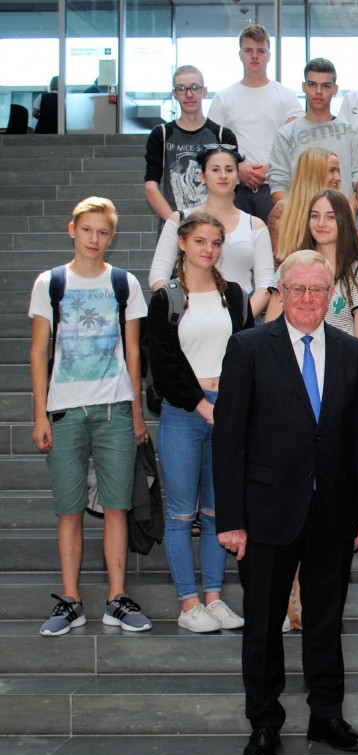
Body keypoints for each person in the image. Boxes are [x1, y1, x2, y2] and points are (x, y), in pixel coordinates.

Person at [213, 252, 358, 755]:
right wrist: (231, 518)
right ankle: (264, 722)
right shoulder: (248, 348)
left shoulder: (352, 352)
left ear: (333, 296)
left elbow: (356, 439)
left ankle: (327, 716)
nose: (307, 299)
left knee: (326, 621)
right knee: (261, 625)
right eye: (297, 289)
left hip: (332, 512)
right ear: (280, 291)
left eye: (317, 290)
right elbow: (229, 439)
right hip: (264, 513)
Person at [30, 197, 152, 637]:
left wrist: (136, 412)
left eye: (103, 232)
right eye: (88, 230)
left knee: (117, 506)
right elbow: (39, 350)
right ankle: (71, 601)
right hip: (63, 411)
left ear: (111, 236)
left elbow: (134, 351)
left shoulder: (124, 283)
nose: (95, 239)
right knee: (69, 509)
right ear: (72, 230)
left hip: (113, 409)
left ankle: (116, 599)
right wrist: (40, 414)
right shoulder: (50, 282)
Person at [148, 212, 253, 633]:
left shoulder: (236, 295)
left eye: (215, 243)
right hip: (183, 413)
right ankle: (188, 603)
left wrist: (231, 405)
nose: (208, 250)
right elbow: (165, 364)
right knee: (180, 513)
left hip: (226, 407)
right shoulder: (166, 298)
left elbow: (246, 352)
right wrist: (201, 405)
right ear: (182, 243)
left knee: (217, 510)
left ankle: (214, 597)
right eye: (200, 242)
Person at [149, 144, 272, 317]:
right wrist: (185, 305)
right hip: (189, 312)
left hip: (241, 315)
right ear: (202, 175)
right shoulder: (179, 219)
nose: (223, 175)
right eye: (215, 169)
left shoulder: (255, 225)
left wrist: (242, 317)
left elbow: (266, 283)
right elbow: (157, 275)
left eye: (229, 169)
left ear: (238, 176)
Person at [265, 190, 358, 373]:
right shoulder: (290, 266)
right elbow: (269, 331)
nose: (321, 224)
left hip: (338, 375)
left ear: (344, 221)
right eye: (315, 216)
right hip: (289, 373)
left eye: (330, 217)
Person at [207, 25, 303, 222]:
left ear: (269, 55)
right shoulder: (223, 98)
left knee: (277, 250)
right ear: (240, 54)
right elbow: (211, 144)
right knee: (231, 250)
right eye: (248, 50)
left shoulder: (286, 96)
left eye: (260, 51)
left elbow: (299, 141)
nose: (254, 56)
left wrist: (271, 168)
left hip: (275, 189)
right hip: (233, 189)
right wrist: (237, 167)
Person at [144, 66, 239, 229]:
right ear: (175, 94)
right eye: (181, 89)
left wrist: (213, 225)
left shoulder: (223, 135)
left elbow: (231, 185)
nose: (189, 94)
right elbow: (151, 187)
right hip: (174, 227)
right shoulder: (162, 134)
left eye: (195, 87)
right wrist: (178, 225)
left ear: (204, 91)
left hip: (214, 228)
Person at [267, 58, 358, 200]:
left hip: (343, 219)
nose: (318, 91)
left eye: (326, 86)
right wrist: (298, 219)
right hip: (300, 220)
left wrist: (343, 216)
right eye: (312, 84)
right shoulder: (285, 134)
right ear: (304, 87)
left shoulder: (353, 134)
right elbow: (278, 186)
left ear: (335, 89)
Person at [267, 147, 341, 265]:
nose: (338, 177)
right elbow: (279, 263)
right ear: (313, 174)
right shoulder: (282, 212)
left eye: (338, 171)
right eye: (332, 171)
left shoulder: (341, 208)